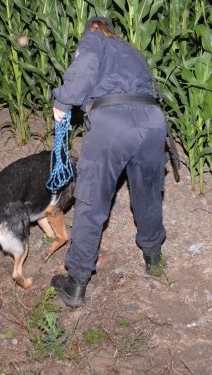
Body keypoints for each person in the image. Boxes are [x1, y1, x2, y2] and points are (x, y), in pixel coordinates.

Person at [50, 15, 168, 307]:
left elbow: (86, 67)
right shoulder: (131, 50)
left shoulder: (94, 39)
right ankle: (154, 258)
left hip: (114, 120)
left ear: (96, 29)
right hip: (153, 121)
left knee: (92, 200)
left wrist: (63, 102)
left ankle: (76, 282)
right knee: (148, 195)